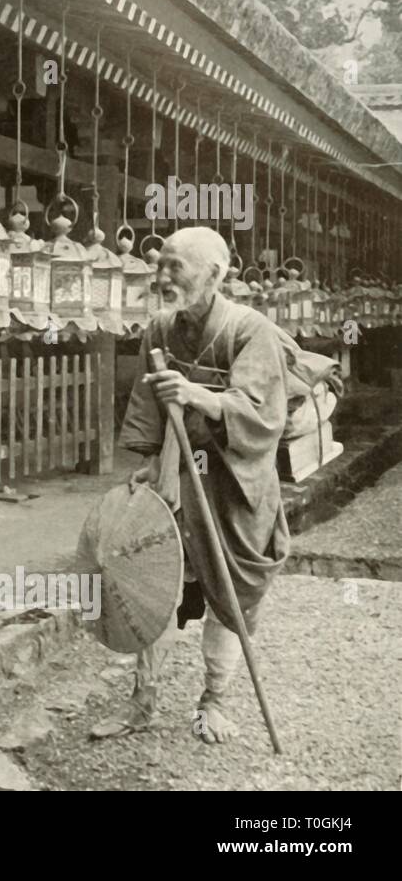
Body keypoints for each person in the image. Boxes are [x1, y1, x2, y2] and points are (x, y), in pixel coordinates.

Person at [90, 227, 289, 744]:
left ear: (215, 274)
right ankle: (142, 701)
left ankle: (214, 701)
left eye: (175, 266)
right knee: (151, 579)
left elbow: (262, 415)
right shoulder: (158, 329)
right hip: (178, 472)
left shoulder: (251, 330)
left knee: (229, 591)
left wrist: (201, 396)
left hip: (234, 481)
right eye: (160, 266)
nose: (162, 276)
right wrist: (150, 458)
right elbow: (146, 403)